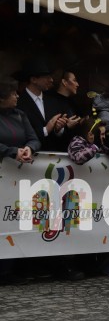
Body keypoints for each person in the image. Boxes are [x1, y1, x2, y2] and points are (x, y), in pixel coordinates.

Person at [0, 77, 41, 285]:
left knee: (15, 219)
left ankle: (9, 269)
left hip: (18, 178)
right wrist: (11, 151)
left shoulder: (20, 114)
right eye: (13, 93)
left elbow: (34, 138)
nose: (17, 96)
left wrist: (28, 149)